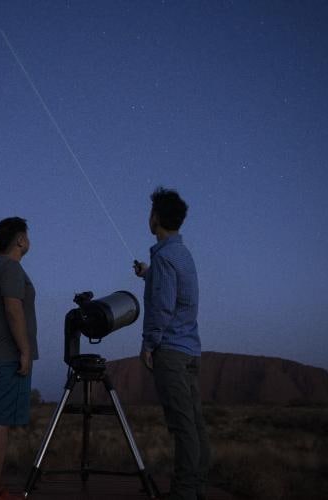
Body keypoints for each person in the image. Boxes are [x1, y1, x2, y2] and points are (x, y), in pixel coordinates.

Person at [133, 188, 211, 500]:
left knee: (182, 428)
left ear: (156, 218)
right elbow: (175, 292)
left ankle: (184, 494)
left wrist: (149, 344)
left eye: (150, 212)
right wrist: (147, 274)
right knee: (194, 425)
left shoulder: (165, 257)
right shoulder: (181, 254)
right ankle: (196, 488)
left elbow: (164, 307)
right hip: (190, 352)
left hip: (172, 354)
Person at [0, 217, 37, 500]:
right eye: (26, 234)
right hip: (6, 357)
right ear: (19, 240)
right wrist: (25, 350)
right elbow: (13, 309)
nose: (28, 239)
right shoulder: (11, 267)